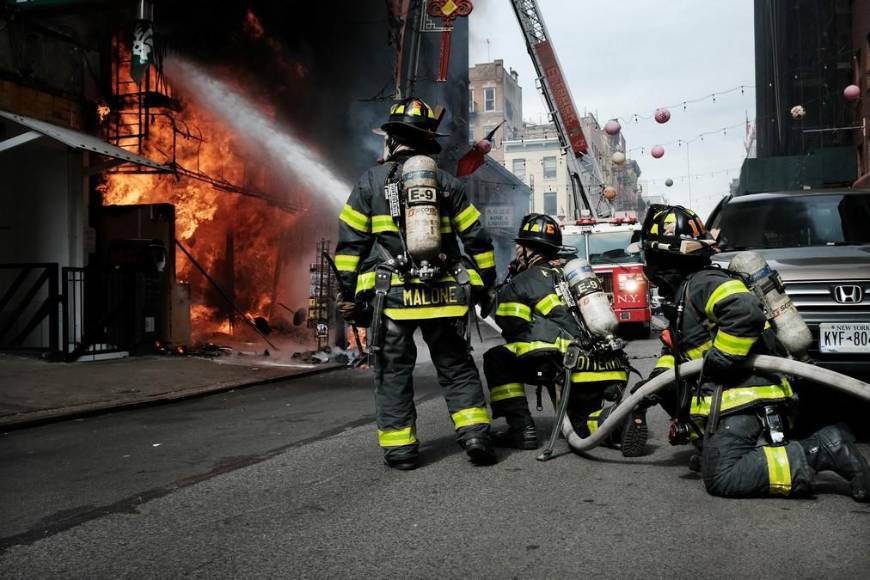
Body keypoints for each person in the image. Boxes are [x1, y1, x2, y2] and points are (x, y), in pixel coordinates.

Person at [637, 204, 870, 501]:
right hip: (740, 398)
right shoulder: (686, 293)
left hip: (752, 398)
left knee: (724, 477)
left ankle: (823, 449)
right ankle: (717, 448)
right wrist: (656, 380)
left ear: (662, 258)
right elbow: (678, 349)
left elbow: (745, 312)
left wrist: (724, 357)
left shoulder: (703, 283)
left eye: (650, 257)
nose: (649, 268)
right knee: (697, 428)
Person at [334, 97, 497, 470]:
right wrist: (485, 284)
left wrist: (348, 293)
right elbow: (477, 239)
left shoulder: (370, 183)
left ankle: (401, 450)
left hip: (392, 299)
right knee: (456, 367)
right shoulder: (446, 182)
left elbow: (350, 245)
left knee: (393, 372)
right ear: (427, 143)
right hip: (445, 294)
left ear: (392, 140)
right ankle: (474, 434)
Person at [483, 213, 647, 456]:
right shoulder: (572, 275)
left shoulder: (523, 281)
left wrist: (509, 287)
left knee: (497, 358)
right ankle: (614, 421)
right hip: (604, 364)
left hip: (563, 365)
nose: (517, 249)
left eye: (521, 245)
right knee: (580, 425)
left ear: (530, 250)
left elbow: (511, 326)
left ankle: (521, 428)